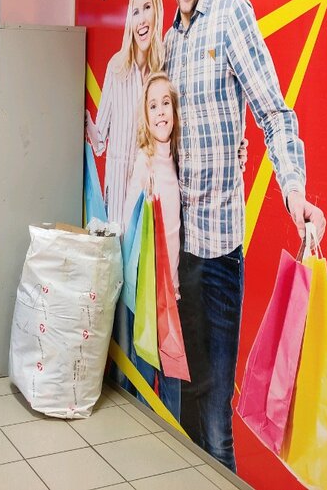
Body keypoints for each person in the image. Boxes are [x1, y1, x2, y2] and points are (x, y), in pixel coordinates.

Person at [163, 0, 326, 471]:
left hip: (218, 255)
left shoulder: (231, 14)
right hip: (177, 252)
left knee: (215, 423)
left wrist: (294, 191)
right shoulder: (169, 42)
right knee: (183, 407)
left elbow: (274, 114)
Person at [122, 70, 185, 420]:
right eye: (153, 106)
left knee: (172, 385)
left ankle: (171, 443)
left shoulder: (179, 161)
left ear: (174, 111)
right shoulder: (144, 164)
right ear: (146, 117)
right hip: (147, 296)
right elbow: (128, 228)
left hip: (172, 294)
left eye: (165, 104)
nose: (160, 112)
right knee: (146, 381)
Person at [86, 0, 165, 227]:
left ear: (157, 12)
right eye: (136, 11)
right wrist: (85, 121)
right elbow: (100, 141)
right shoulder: (117, 68)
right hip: (118, 191)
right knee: (117, 251)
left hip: (150, 192)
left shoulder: (163, 72)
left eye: (147, 8)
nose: (142, 20)